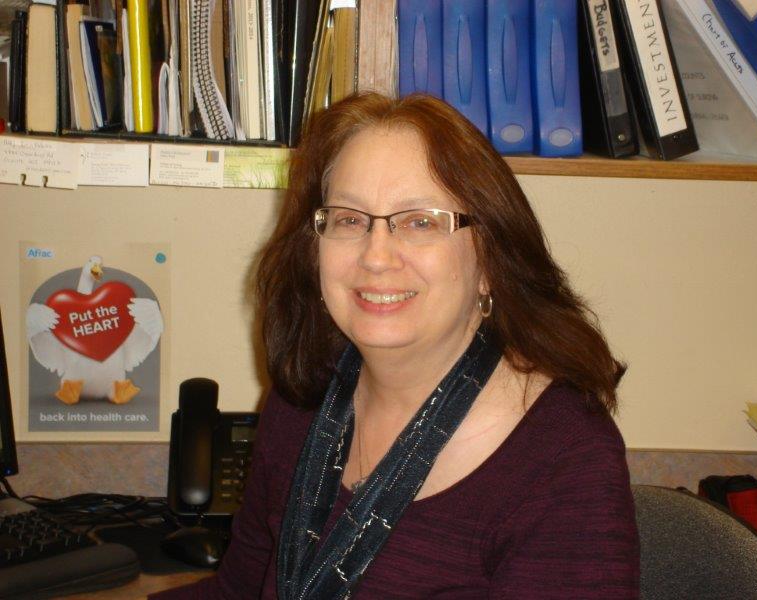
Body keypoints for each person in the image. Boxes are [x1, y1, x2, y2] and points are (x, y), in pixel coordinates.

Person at [152, 93, 639, 599]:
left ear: (491, 261)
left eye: (420, 221)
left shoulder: (562, 457)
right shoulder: (303, 399)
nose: (376, 256)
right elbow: (240, 589)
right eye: (348, 219)